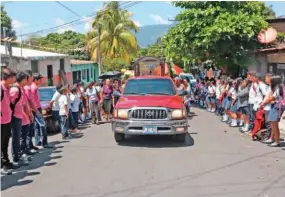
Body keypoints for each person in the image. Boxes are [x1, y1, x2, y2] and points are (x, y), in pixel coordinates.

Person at [10, 71, 30, 167]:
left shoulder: (20, 89)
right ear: (22, 79)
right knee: (16, 138)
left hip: (18, 116)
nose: (27, 81)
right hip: (14, 117)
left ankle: (19, 155)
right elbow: (9, 104)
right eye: (26, 79)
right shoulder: (15, 90)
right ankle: (16, 158)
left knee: (18, 138)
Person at [260, 76, 284, 147]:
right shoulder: (281, 87)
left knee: (274, 125)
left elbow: (272, 98)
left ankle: (276, 141)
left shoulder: (277, 88)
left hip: (276, 106)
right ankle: (272, 138)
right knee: (273, 124)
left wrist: (263, 103)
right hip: (278, 106)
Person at [1, 67, 16, 175]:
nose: (14, 80)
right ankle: (2, 167)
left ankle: (6, 162)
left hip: (7, 120)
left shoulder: (7, 88)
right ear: (8, 78)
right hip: (1, 121)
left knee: (5, 143)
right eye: (13, 78)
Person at [31, 73, 52, 148]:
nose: (41, 81)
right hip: (36, 108)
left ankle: (37, 141)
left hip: (36, 108)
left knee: (37, 126)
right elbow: (32, 100)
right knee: (43, 125)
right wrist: (36, 110)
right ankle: (44, 142)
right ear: (36, 80)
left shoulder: (34, 87)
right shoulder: (34, 88)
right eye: (40, 79)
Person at [24, 70, 40, 153]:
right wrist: (32, 111)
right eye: (31, 77)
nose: (32, 79)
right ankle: (28, 147)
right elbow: (29, 101)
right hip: (29, 111)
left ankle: (30, 145)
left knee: (31, 130)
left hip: (31, 110)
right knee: (28, 131)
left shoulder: (29, 88)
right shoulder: (27, 88)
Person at [262, 73, 273, 141]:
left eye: (266, 78)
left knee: (269, 123)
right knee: (267, 122)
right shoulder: (269, 86)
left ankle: (269, 137)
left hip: (269, 107)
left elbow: (271, 98)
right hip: (266, 107)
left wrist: (264, 102)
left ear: (270, 78)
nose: (265, 80)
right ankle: (269, 136)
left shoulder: (272, 87)